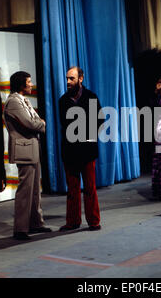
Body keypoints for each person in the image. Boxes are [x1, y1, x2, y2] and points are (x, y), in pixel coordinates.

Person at [3, 71, 52, 240]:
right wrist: (41, 124)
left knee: (34, 190)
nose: (31, 85)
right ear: (21, 84)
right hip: (24, 149)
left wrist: (39, 123)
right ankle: (20, 229)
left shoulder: (24, 101)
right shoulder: (13, 102)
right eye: (29, 82)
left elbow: (35, 121)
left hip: (32, 148)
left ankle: (36, 223)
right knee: (25, 190)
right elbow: (32, 123)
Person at [58, 66, 102, 231]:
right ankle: (73, 221)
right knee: (72, 190)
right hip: (69, 151)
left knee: (90, 188)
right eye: (67, 78)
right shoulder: (62, 101)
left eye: (72, 78)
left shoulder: (91, 97)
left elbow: (99, 120)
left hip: (87, 150)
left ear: (80, 79)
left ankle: (94, 221)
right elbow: (65, 124)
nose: (68, 82)